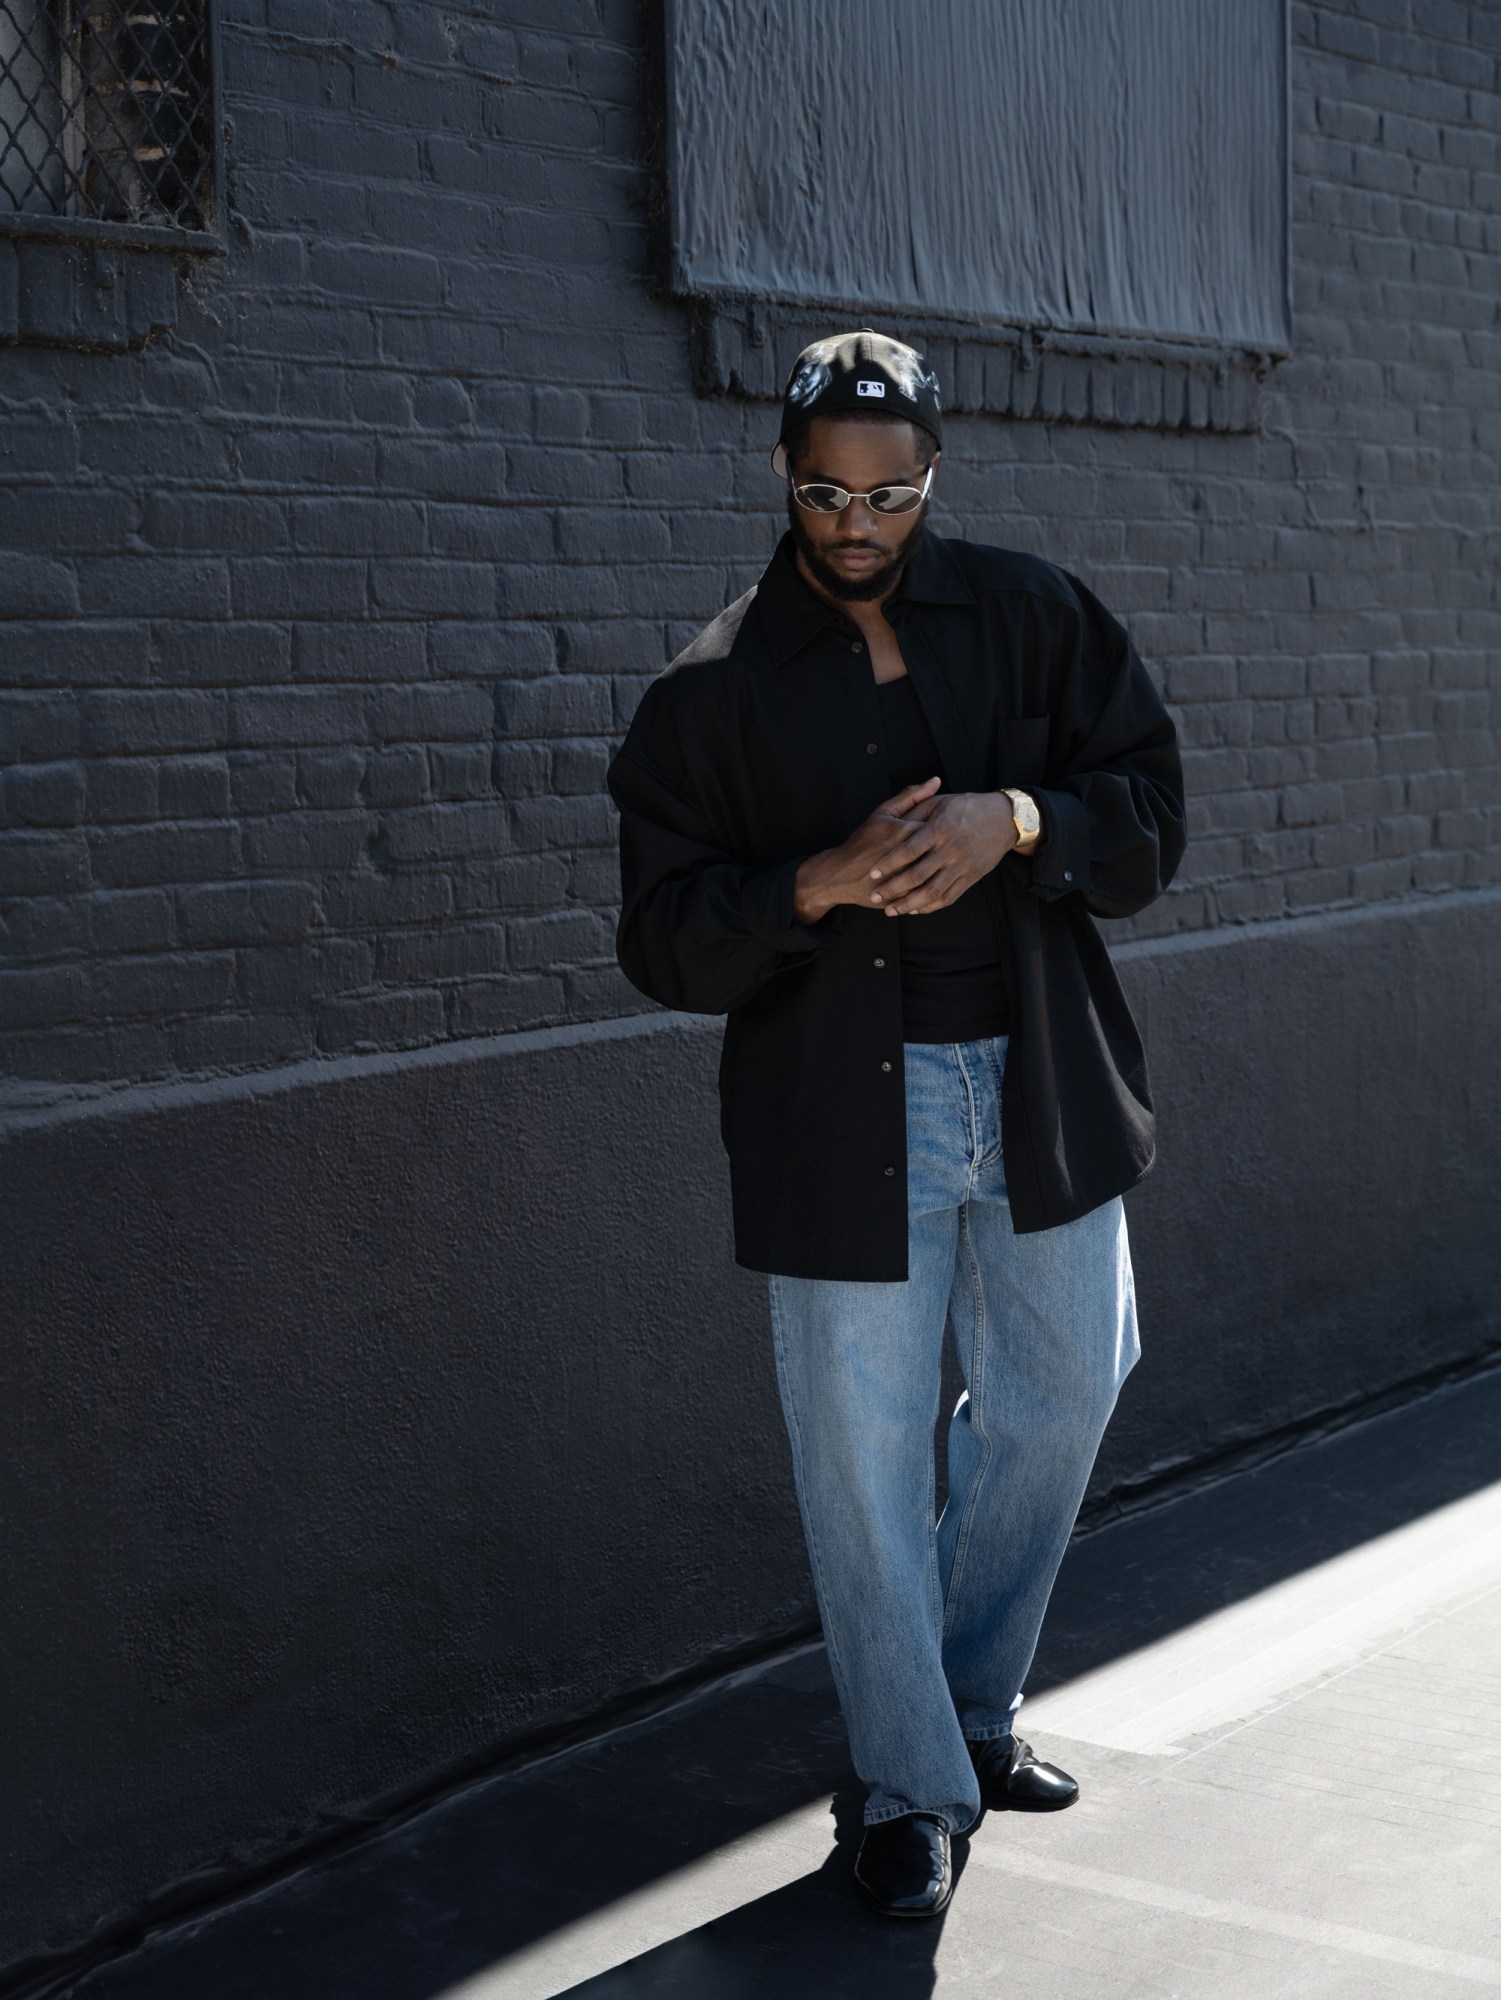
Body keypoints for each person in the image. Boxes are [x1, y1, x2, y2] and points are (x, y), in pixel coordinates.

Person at [606, 328, 1186, 1918]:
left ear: (933, 474)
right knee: (861, 1463)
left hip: (1039, 1079)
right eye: (824, 493)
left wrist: (1018, 819)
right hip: (839, 1113)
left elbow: (1149, 819)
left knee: (1065, 1389)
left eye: (889, 493)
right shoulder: (711, 689)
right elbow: (660, 940)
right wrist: (809, 884)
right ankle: (908, 1783)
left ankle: (970, 1705)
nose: (855, 525)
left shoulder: (1033, 617)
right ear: (781, 475)